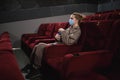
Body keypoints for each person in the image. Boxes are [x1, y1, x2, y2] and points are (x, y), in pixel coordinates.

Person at [22, 12, 84, 79]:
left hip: (61, 47)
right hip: (57, 43)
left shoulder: (77, 31)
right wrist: (57, 37)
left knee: (40, 46)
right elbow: (63, 37)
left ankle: (36, 69)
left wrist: (62, 32)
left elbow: (69, 42)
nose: (70, 19)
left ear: (77, 20)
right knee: (37, 45)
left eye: (71, 18)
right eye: (70, 18)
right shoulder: (70, 28)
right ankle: (31, 65)